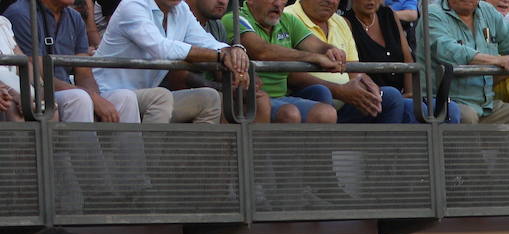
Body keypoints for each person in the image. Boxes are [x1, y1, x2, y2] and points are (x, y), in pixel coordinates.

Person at [6, 0, 169, 122]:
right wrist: (90, 97)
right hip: (37, 91)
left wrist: (96, 97)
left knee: (125, 98)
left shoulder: (74, 17)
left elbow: (84, 73)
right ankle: (89, 166)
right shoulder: (21, 13)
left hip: (70, 89)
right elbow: (38, 74)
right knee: (79, 98)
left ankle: (132, 166)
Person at [94, 0, 250, 124]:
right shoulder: (133, 5)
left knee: (210, 97)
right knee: (160, 97)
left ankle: (199, 162)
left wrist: (235, 52)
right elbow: (162, 49)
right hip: (107, 94)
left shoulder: (181, 8)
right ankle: (148, 164)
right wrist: (220, 56)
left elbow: (206, 41)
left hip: (145, 97)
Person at [285, 0, 410, 122]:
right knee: (321, 92)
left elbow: (354, 70)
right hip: (309, 98)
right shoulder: (287, 16)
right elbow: (289, 75)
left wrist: (370, 87)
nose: (330, 1)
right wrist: (339, 90)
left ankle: (385, 143)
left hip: (345, 100)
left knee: (391, 97)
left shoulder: (340, 21)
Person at [227, 0, 343, 122]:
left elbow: (316, 46)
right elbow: (262, 51)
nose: (278, 4)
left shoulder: (288, 20)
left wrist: (332, 50)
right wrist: (314, 57)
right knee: (290, 113)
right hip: (248, 99)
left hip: (283, 97)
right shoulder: (234, 19)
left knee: (326, 113)